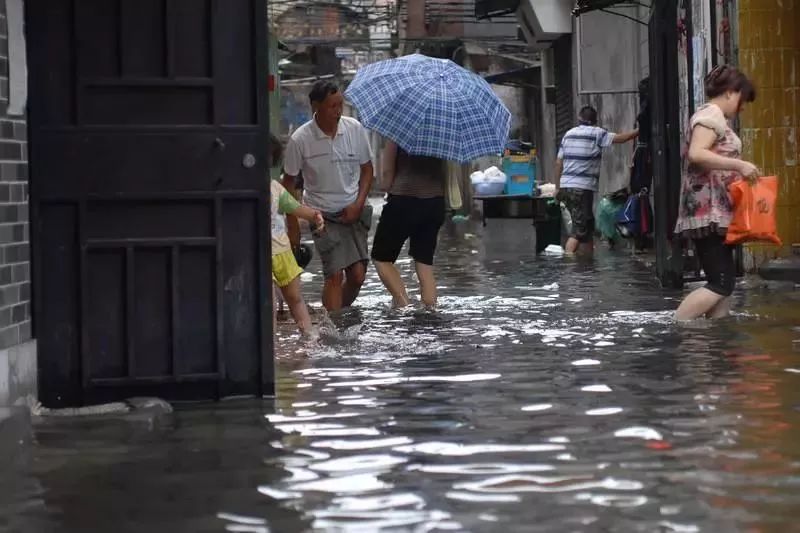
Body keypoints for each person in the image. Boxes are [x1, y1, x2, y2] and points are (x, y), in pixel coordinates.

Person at [674, 65, 758, 321]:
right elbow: (697, 153)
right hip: (707, 210)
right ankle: (677, 327)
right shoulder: (712, 115)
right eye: (743, 100)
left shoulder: (716, 117)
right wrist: (739, 165)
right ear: (731, 92)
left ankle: (715, 342)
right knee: (721, 282)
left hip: (715, 210)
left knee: (723, 283)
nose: (743, 107)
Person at [282, 80, 374, 312]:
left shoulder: (354, 129)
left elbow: (367, 170)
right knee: (334, 274)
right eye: (332, 106)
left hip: (354, 212)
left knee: (358, 276)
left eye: (340, 105)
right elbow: (289, 184)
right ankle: (335, 331)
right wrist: (292, 228)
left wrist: (359, 203)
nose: (338, 111)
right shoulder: (300, 139)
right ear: (316, 107)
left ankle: (331, 318)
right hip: (321, 215)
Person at [554, 106, 639, 255]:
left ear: (579, 119)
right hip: (581, 189)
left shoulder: (568, 134)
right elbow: (621, 138)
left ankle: (587, 263)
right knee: (579, 231)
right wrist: (640, 131)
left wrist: (557, 187)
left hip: (567, 188)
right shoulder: (597, 133)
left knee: (587, 225)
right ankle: (568, 267)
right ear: (595, 121)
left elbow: (558, 162)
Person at [371, 140, 446, 308]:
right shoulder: (442, 133)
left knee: (381, 257)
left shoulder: (399, 132)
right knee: (424, 261)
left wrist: (386, 184)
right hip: (435, 202)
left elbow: (387, 175)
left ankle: (403, 302)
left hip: (403, 199)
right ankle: (430, 308)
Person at [269, 134, 324, 337]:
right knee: (296, 300)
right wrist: (314, 216)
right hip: (283, 253)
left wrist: (314, 215)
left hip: (269, 254)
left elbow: (295, 207)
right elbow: (296, 208)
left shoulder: (251, 189)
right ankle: (309, 337)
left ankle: (272, 347)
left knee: (271, 306)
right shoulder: (275, 187)